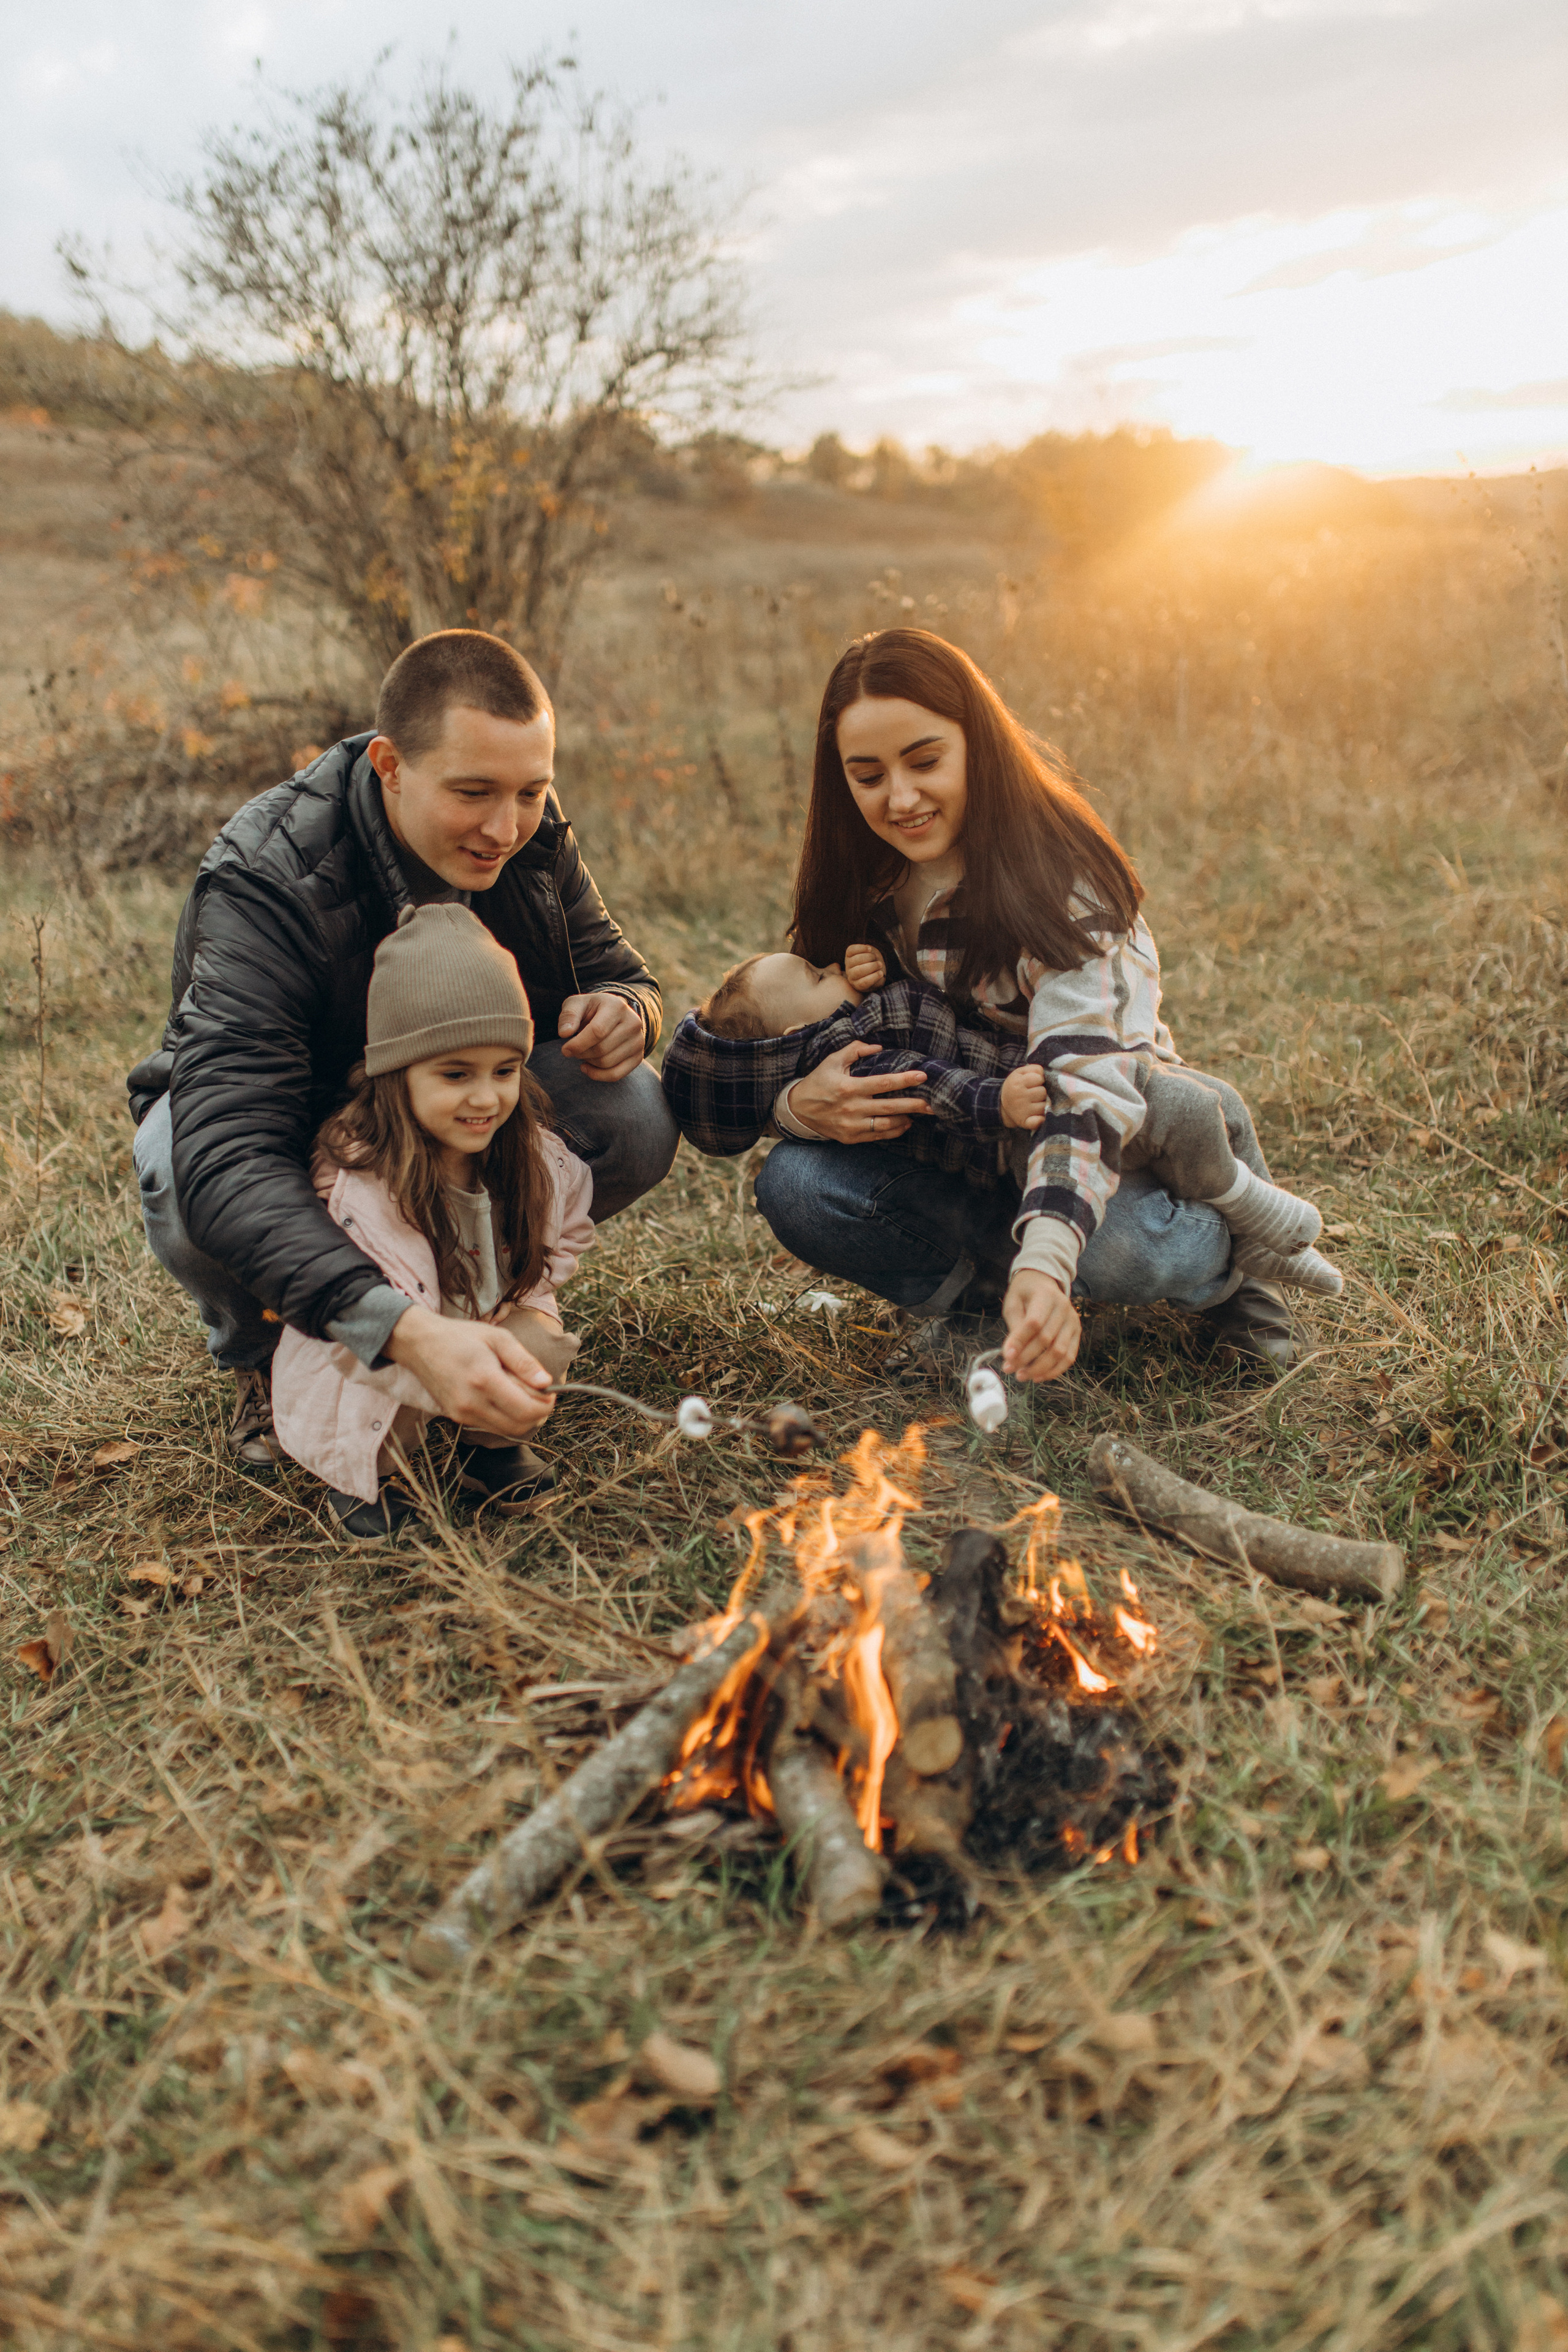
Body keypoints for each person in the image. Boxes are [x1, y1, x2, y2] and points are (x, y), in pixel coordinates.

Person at [672, 627, 1314, 1383]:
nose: (900, 798)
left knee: (1130, 1252)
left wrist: (1049, 1255)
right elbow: (769, 1048)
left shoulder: (1065, 884)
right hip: (963, 1142)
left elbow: (1082, 1090)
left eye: (925, 761)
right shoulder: (861, 883)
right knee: (797, 1185)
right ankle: (982, 1304)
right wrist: (797, 1108)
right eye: (867, 775)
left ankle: (1236, 1280)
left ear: (977, 743)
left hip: (1099, 1128)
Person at [127, 629, 676, 1471]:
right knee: (181, 1166)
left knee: (633, 1108)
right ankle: (270, 1351)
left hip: (451, 1106)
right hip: (306, 1128)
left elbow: (617, 970)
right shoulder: (266, 875)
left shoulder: (529, 830)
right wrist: (397, 1332)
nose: (506, 826)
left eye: (533, 791)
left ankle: (478, 1302)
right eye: (474, 792)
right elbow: (231, 1143)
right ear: (389, 764)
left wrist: (630, 1010)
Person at [666, 943, 1341, 1298]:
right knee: (1190, 1123)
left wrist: (862, 960)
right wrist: (996, 1102)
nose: (834, 966)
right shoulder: (859, 1051)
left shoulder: (856, 1008)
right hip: (1015, 1122)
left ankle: (1250, 1266)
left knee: (1202, 1101)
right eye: (820, 973)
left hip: (1076, 1078)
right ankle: (1242, 1226)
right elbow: (931, 1085)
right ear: (807, 1028)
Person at [271, 904, 591, 1540]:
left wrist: (532, 1298)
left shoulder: (533, 1158)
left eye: (504, 1072)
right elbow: (333, 1291)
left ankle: (489, 1444)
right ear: (397, 1074)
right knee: (378, 1387)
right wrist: (411, 1332)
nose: (485, 1098)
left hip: (484, 1316)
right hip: (385, 1338)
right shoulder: (355, 1177)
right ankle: (368, 1472)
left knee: (536, 1342)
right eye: (455, 1074)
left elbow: (571, 1226)